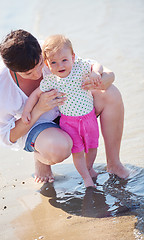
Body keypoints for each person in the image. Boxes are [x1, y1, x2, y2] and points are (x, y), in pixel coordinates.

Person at [0, 29, 129, 184]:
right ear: (12, 70)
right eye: (28, 73)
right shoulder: (1, 85)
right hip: (39, 126)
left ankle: (114, 164)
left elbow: (91, 67)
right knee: (59, 148)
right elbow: (8, 137)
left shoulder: (48, 49)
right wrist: (38, 109)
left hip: (72, 110)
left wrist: (104, 79)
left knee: (111, 93)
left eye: (40, 64)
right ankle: (40, 158)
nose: (37, 74)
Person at [22, 34, 103, 187]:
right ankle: (86, 178)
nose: (60, 66)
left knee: (92, 146)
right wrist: (27, 111)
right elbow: (35, 95)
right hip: (69, 123)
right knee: (78, 151)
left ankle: (89, 168)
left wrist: (96, 73)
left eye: (64, 60)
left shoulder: (81, 67)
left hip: (89, 118)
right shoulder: (51, 80)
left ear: (72, 57)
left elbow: (97, 64)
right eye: (54, 62)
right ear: (47, 64)